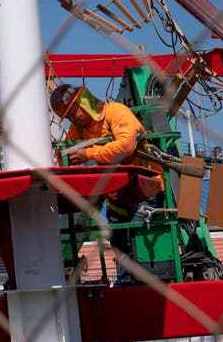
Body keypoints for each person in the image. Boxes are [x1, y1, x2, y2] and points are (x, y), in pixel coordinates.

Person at [50, 83, 166, 283]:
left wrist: (88, 153)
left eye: (72, 113)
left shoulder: (116, 112)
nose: (72, 119)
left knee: (137, 235)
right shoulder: (78, 129)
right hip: (118, 193)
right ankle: (126, 283)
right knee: (118, 239)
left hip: (146, 187)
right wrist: (65, 155)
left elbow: (126, 146)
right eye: (67, 117)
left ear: (83, 102)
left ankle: (143, 282)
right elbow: (64, 156)